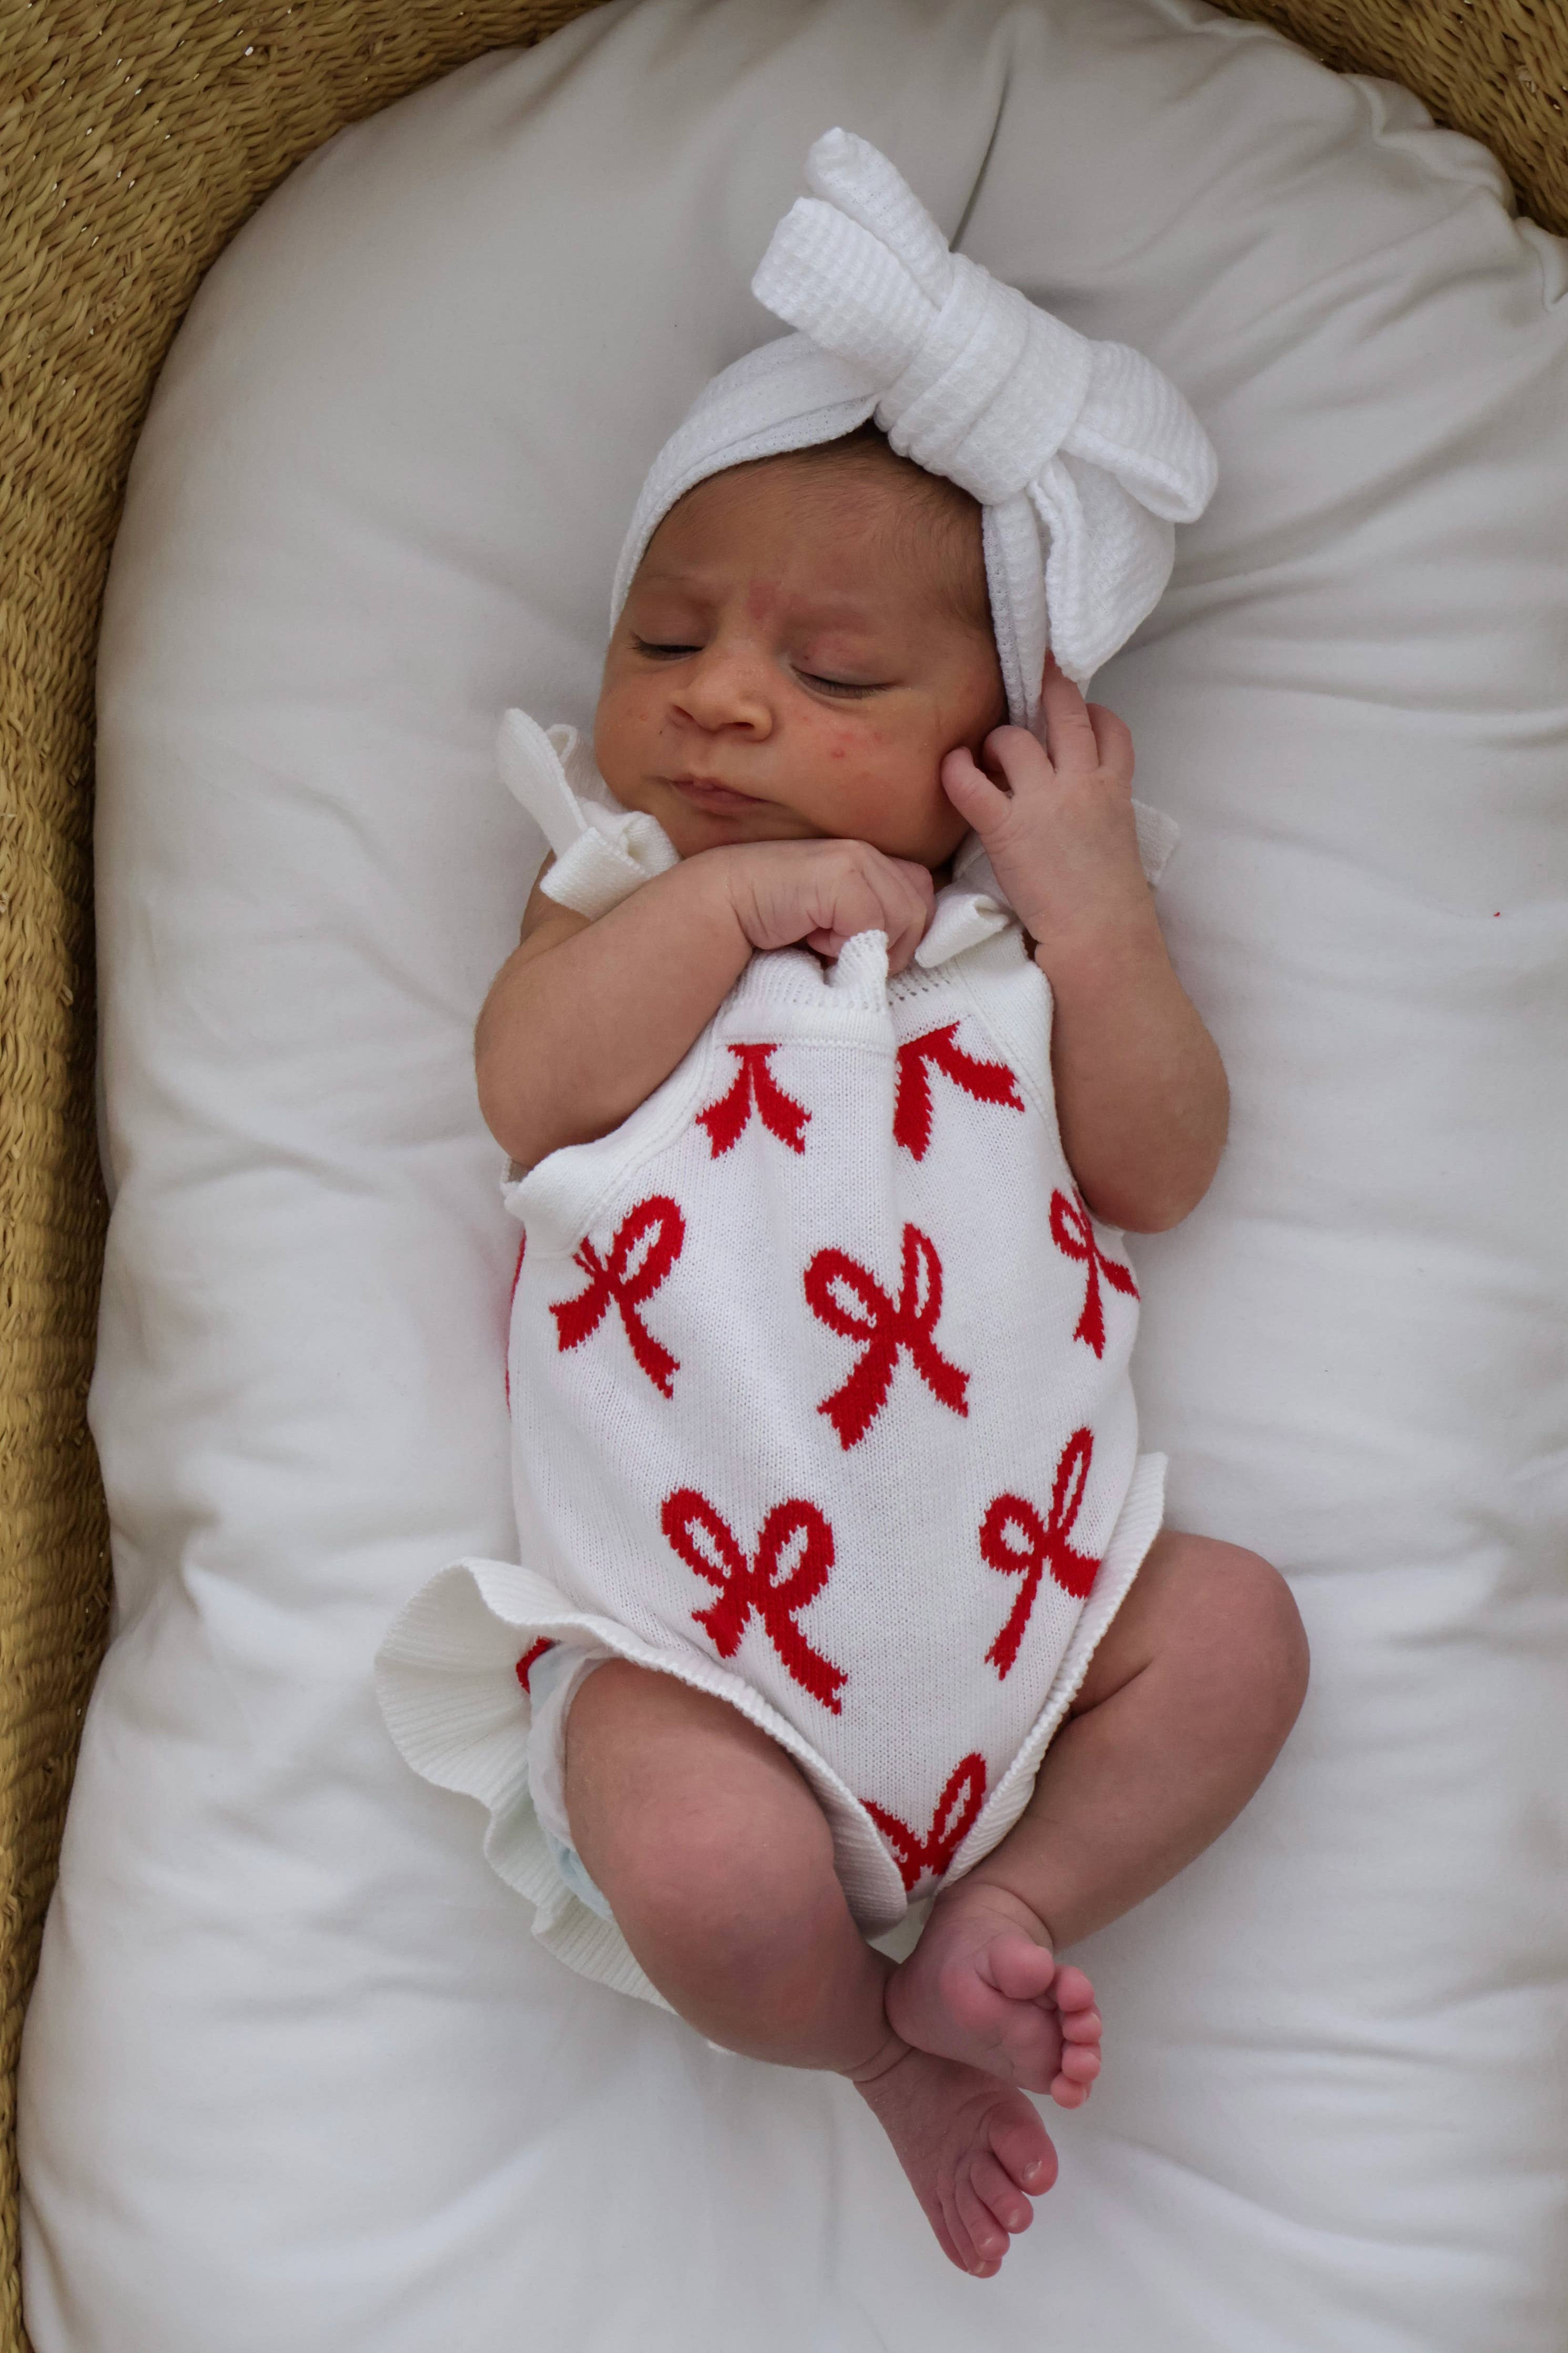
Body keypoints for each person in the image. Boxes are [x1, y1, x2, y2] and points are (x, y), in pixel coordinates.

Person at [392, 133, 1309, 2280]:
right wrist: (735, 902)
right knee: (710, 1877)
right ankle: (871, 2050)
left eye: (834, 679)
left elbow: (1160, 1165)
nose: (721, 694)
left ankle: (1011, 1899)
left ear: (983, 751)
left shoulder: (1014, 960)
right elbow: (531, 1085)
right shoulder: (620, 893)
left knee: (1241, 1635)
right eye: (668, 636)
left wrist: (1096, 913)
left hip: (1047, 1636)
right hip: (696, 1663)